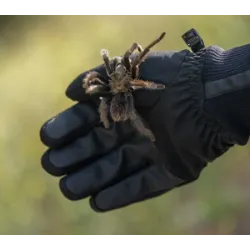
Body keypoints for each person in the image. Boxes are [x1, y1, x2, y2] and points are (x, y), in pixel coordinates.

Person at [39, 28, 250, 213]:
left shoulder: (128, 80)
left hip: (123, 96)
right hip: (122, 97)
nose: (122, 72)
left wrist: (198, 85)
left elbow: (137, 67)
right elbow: (94, 83)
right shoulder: (127, 82)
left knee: (128, 108)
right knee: (118, 106)